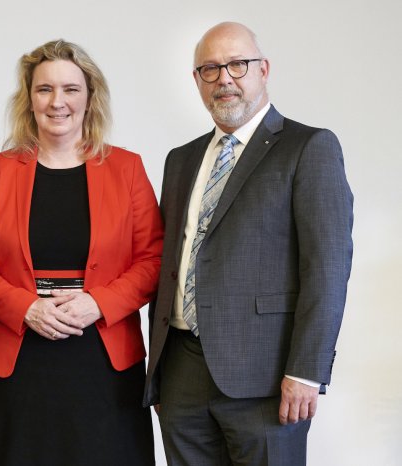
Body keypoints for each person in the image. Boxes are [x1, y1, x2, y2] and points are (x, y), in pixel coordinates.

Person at [144, 22, 353, 465]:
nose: (225, 78)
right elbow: (170, 261)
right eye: (210, 68)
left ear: (263, 69)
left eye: (238, 64)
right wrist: (160, 373)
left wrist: (306, 371)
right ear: (197, 80)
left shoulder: (308, 147)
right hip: (181, 370)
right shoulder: (180, 160)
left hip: (267, 375)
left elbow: (328, 267)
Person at [0, 39, 163, 466]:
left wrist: (98, 304)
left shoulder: (128, 168)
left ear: (90, 97)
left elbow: (154, 260)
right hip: (18, 357)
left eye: (70, 89)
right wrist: (25, 307)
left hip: (103, 360)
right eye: (44, 89)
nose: (57, 102)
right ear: (29, 99)